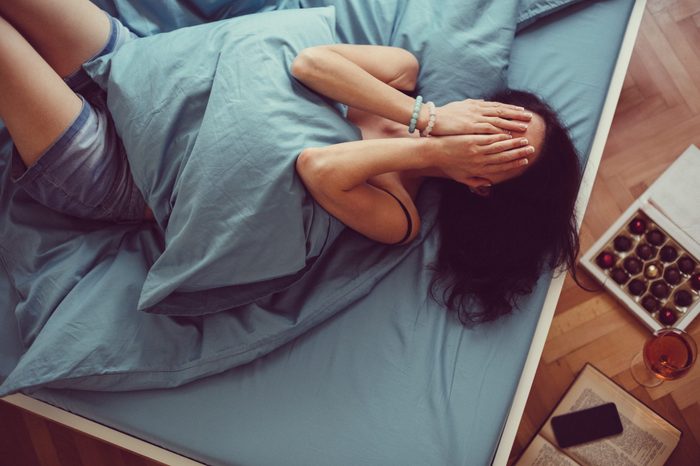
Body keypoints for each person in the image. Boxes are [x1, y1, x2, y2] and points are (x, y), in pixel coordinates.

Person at [0, 0, 581, 326]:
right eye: (500, 116)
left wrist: (434, 150)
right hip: (143, 71)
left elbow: (319, 168)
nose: (487, 126)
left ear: (483, 185)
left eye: (503, 145)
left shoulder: (398, 218)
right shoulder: (402, 74)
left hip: (117, 171)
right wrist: (428, 118)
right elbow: (309, 64)